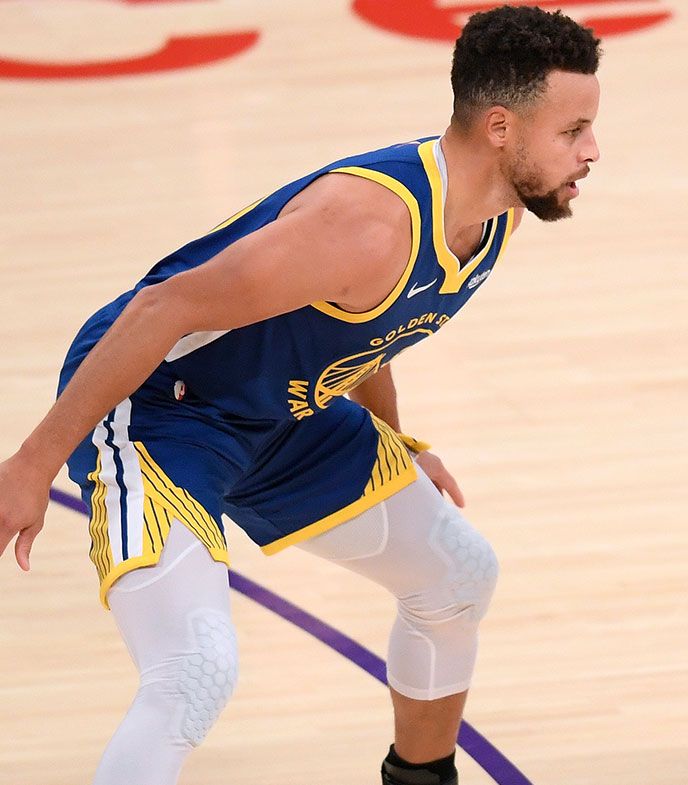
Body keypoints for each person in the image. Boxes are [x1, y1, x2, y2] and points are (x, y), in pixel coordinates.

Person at [0, 6, 601, 784]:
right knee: (194, 670)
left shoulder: (494, 214)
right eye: (573, 131)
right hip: (159, 408)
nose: (592, 151)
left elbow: (369, 331)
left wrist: (397, 441)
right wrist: (32, 462)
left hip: (282, 412)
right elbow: (161, 308)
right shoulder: (367, 224)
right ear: (499, 128)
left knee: (456, 576)